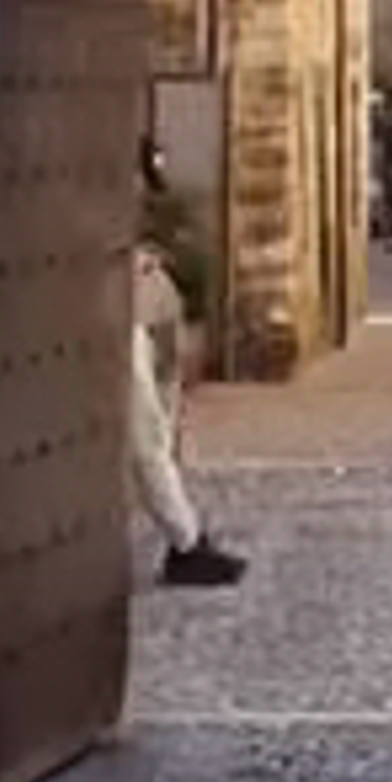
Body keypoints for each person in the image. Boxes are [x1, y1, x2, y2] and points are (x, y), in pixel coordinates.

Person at [131, 231, 243, 593]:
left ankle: (186, 539)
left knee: (151, 434)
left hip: (126, 313)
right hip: (110, 318)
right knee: (146, 438)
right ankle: (186, 542)